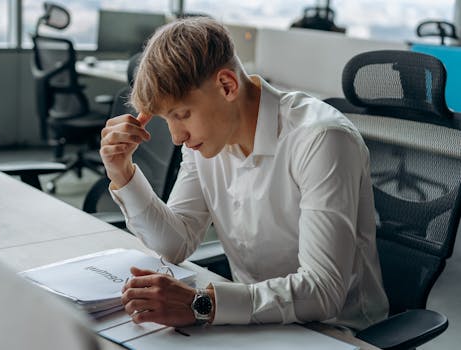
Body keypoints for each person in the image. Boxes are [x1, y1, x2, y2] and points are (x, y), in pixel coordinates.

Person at [99, 17, 388, 330]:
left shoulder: (320, 139)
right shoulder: (207, 141)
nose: (176, 137)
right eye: (167, 119)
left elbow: (322, 291)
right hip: (251, 323)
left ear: (227, 86)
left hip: (337, 331)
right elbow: (175, 244)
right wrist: (122, 172)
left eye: (182, 115)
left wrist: (202, 304)